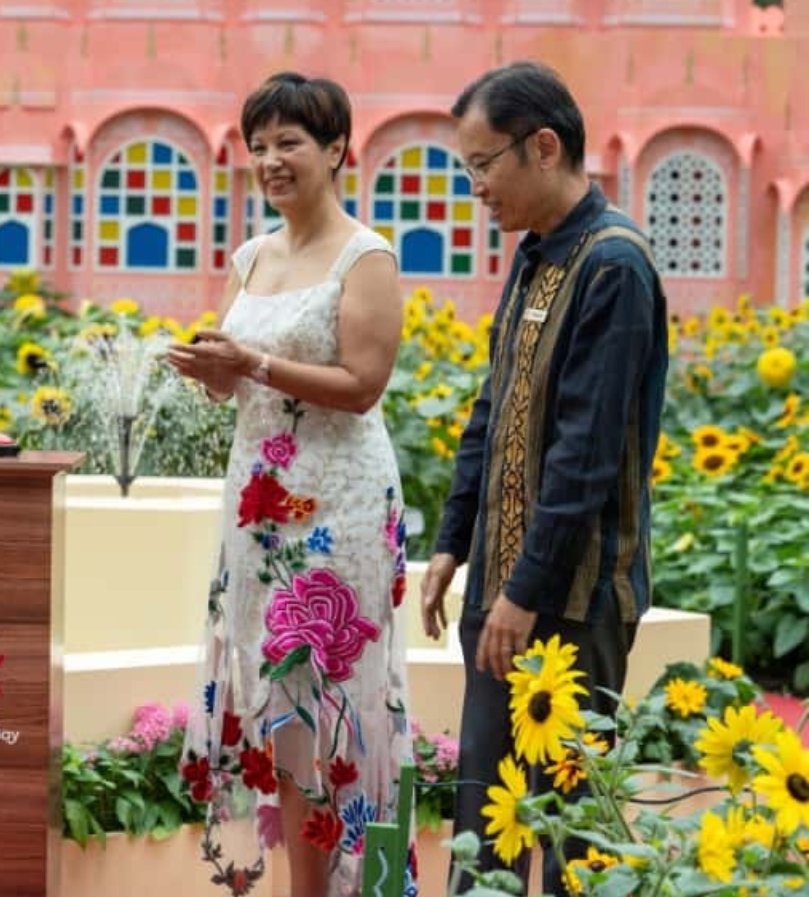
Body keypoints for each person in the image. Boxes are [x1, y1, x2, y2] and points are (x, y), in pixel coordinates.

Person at [418, 61, 667, 895]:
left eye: (483, 166)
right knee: (481, 834)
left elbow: (585, 459)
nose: (476, 188)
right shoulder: (533, 258)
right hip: (502, 591)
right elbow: (495, 410)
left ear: (545, 146)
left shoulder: (614, 266)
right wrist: (454, 541)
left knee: (568, 846)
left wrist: (524, 593)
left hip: (573, 602)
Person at [167, 72, 411, 897]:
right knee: (280, 706)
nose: (271, 160)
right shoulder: (252, 256)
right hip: (259, 505)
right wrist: (211, 369)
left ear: (338, 148)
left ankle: (366, 886)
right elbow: (234, 382)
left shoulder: (365, 256)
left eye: (290, 143)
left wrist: (254, 363)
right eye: (259, 145)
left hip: (336, 508)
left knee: (344, 706)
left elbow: (363, 382)